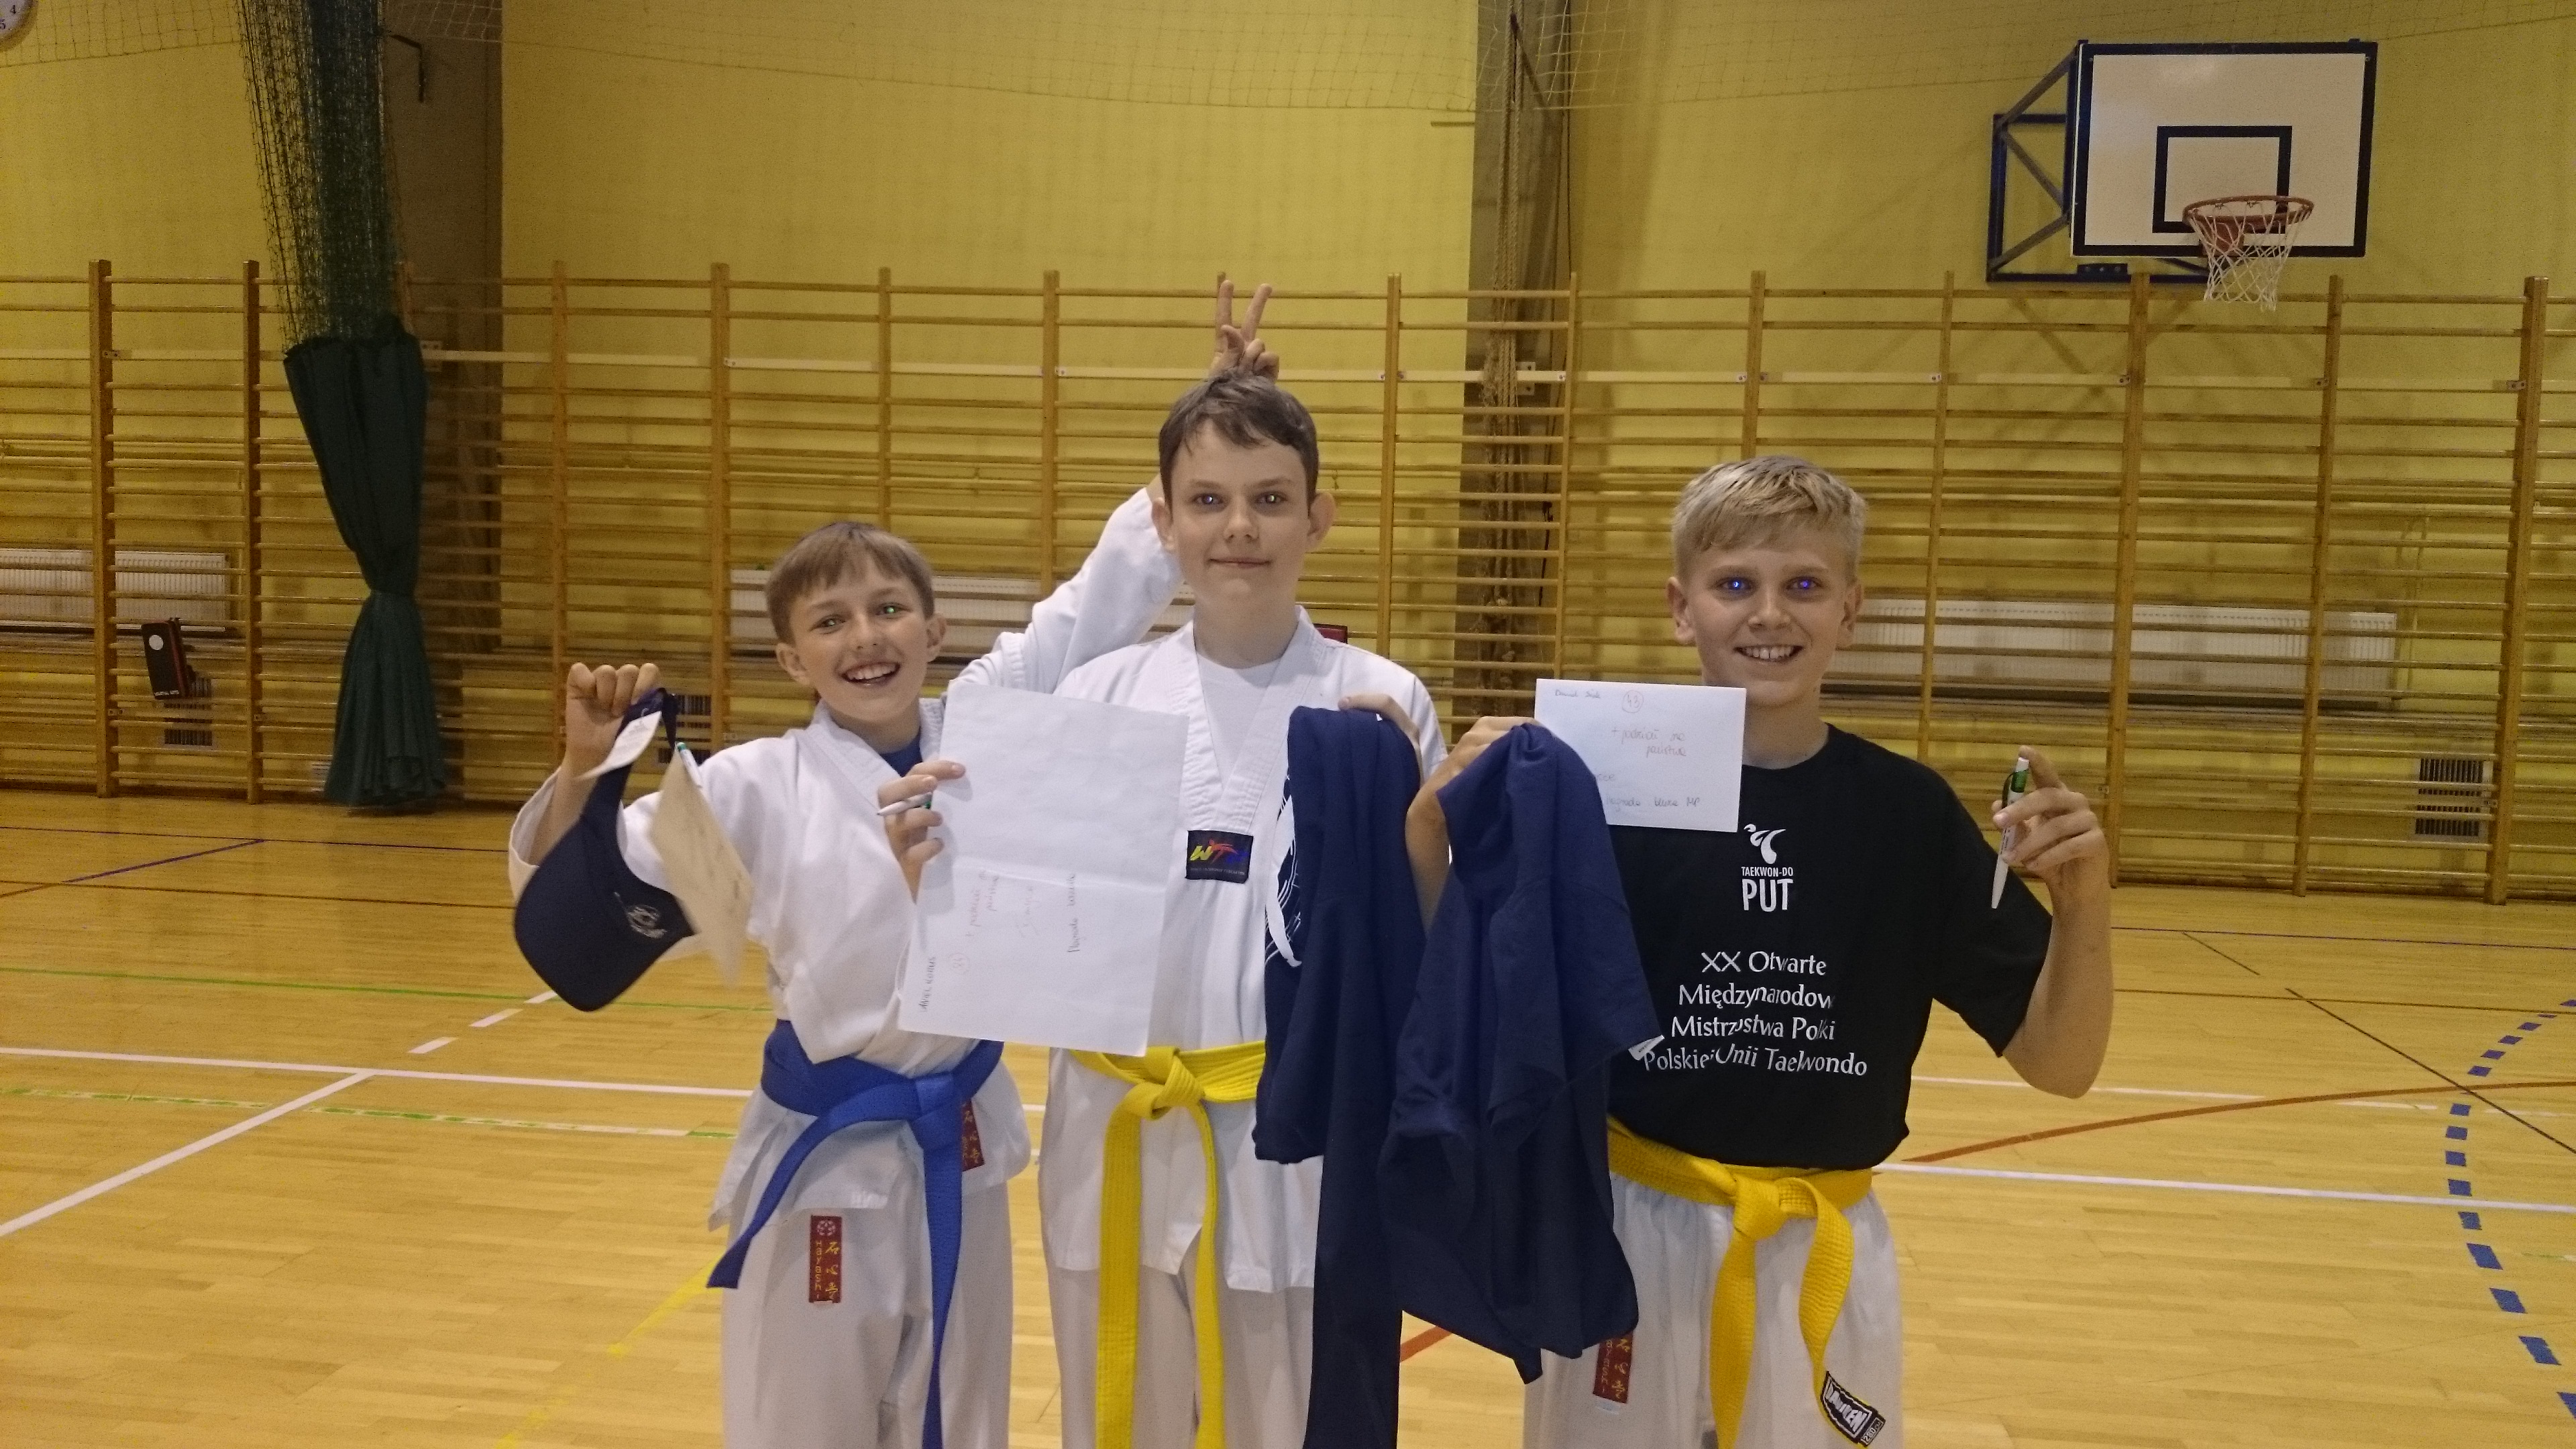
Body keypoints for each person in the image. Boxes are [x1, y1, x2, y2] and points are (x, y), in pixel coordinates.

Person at [506, 282, 1281, 1449]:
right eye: (830, 622)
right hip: (827, 1161)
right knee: (806, 1426)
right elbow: (577, 916)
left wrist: (1223, 415)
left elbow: (1103, 596)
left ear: (933, 629)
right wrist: (581, 771)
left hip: (959, 1150)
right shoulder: (752, 787)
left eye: (888, 610)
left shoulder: (992, 728)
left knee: (965, 1422)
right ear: (790, 658)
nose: (865, 637)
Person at [1407, 455, 2115, 1449]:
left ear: (1851, 611)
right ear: (1681, 607)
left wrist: (2084, 906)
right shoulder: (1598, 793)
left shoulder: (1905, 816)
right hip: (1631, 1232)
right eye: (1735, 583)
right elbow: (1462, 1004)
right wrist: (1428, 835)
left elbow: (2062, 1064)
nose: (1770, 614)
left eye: (1805, 585)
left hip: (1816, 1242)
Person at [896, 372, 1444, 1449]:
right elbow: (1019, 918)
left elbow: (1414, 937)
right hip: (1116, 1120)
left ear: (1318, 517)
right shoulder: (1096, 694)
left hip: (1291, 1137)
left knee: (1283, 1415)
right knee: (1120, 1414)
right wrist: (941, 889)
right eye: (1208, 501)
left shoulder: (1378, 701)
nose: (1239, 528)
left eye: (1270, 500)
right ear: (1163, 520)